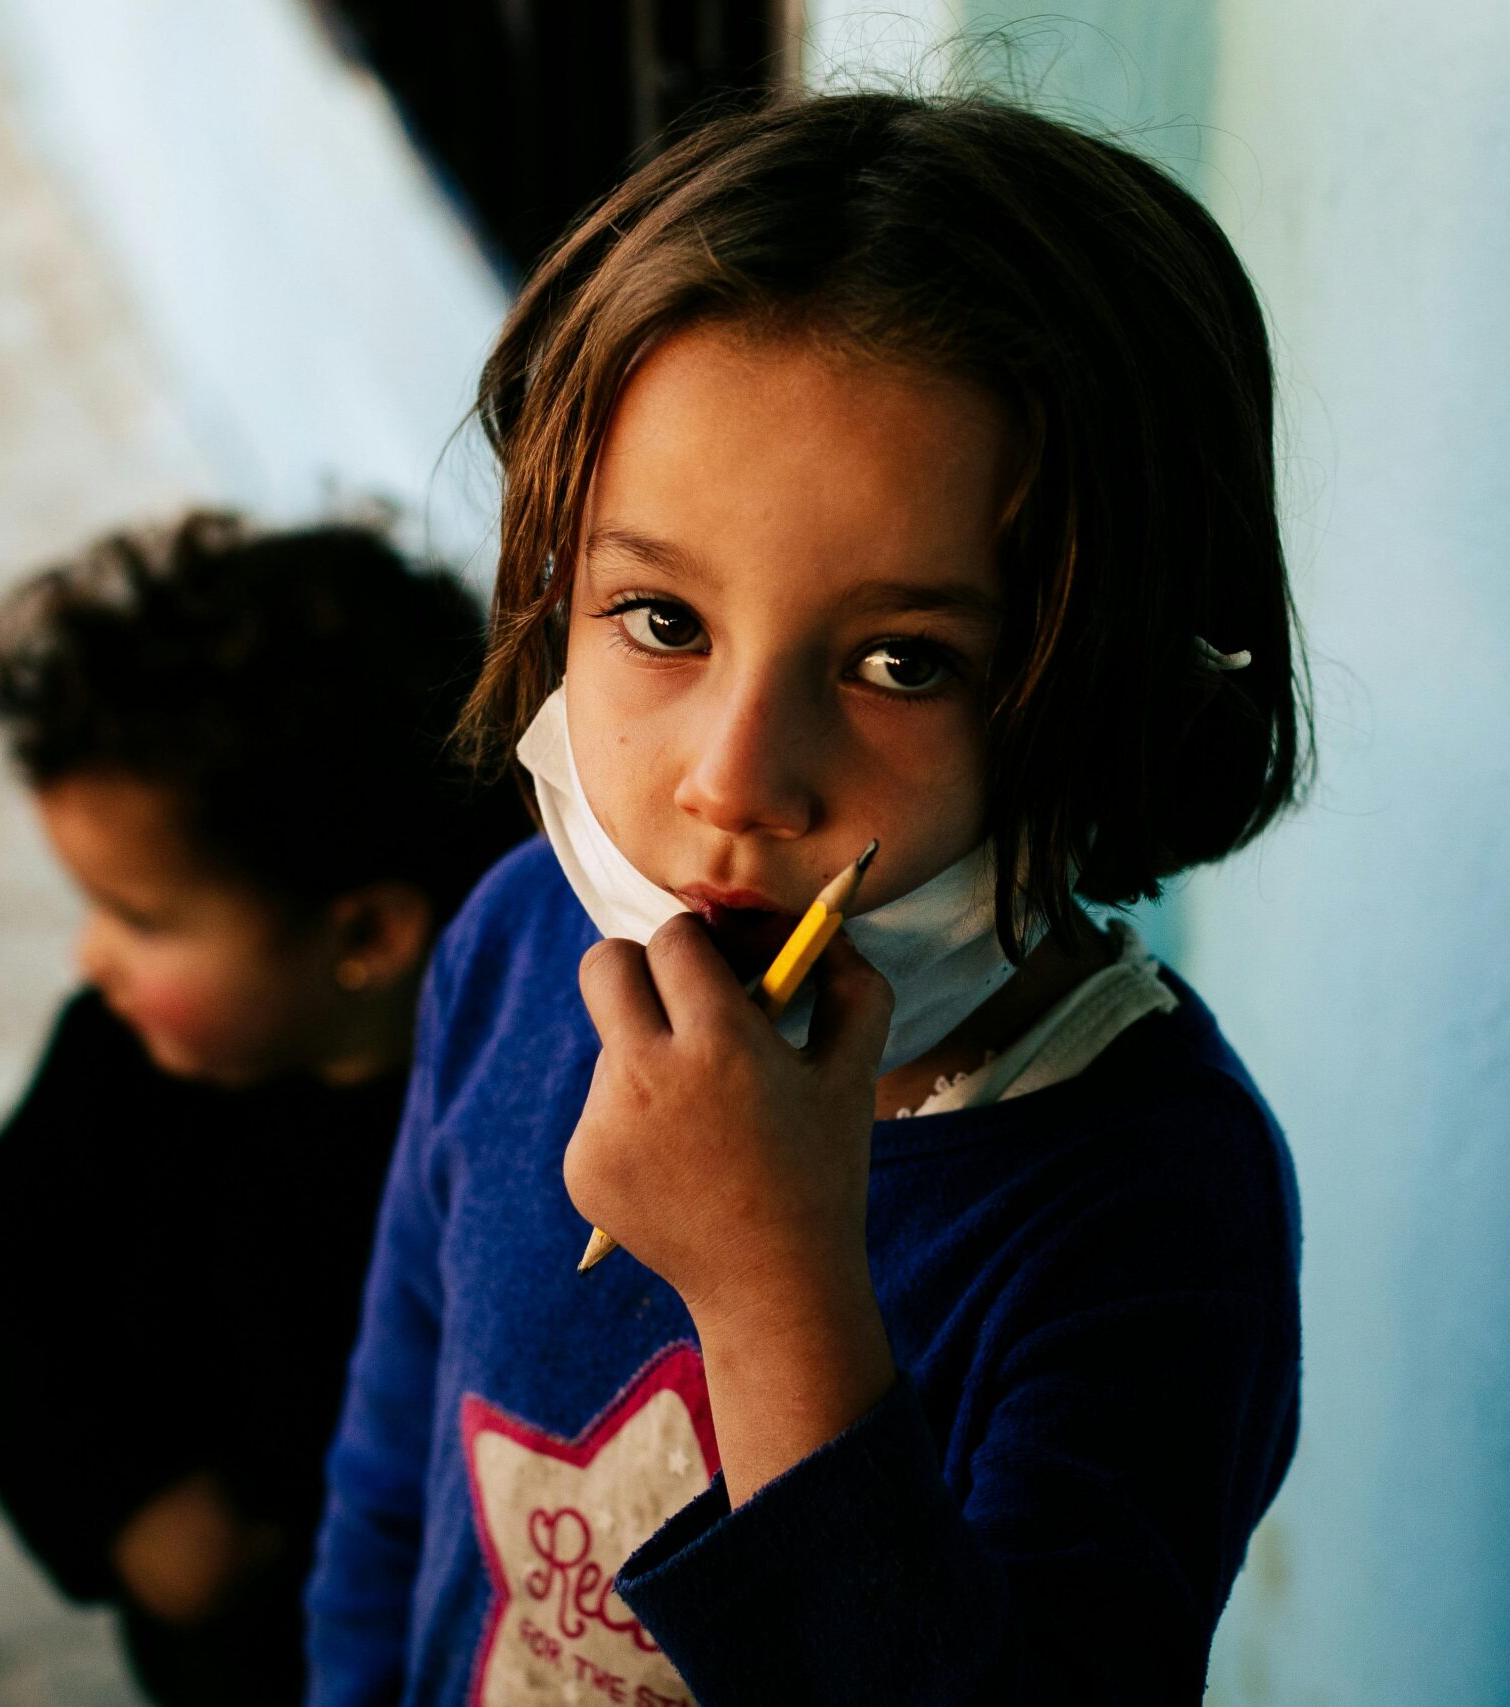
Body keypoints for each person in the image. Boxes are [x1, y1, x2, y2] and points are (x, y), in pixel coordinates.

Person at [306, 91, 1309, 1705]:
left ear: (1113, 692)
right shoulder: (512, 943)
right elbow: (388, 1475)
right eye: (659, 617)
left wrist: (772, 1289)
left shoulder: (1145, 1203)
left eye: (901, 660)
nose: (734, 775)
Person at [0, 512, 525, 1707]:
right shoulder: (124, 1062)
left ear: (365, 934)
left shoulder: (518, 1112)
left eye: (142, 920)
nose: (94, 959)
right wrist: (126, 1499)